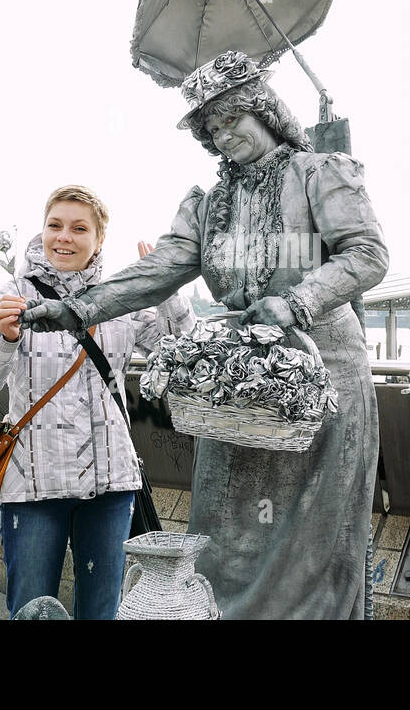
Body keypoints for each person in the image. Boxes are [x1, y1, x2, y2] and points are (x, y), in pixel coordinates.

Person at [23, 51, 389, 619]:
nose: (224, 136)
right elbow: (154, 273)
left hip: (323, 378)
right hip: (237, 387)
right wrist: (76, 309)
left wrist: (297, 301)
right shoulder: (209, 206)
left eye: (232, 119)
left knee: (316, 539)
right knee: (226, 533)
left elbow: (367, 255)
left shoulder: (320, 174)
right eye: (211, 128)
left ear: (264, 111)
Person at [0, 185, 194, 619]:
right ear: (43, 231)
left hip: (110, 484)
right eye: (55, 225)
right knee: (31, 609)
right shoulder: (14, 293)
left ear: (99, 239)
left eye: (79, 228)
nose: (64, 236)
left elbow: (186, 358)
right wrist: (4, 336)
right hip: (33, 484)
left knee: (102, 611)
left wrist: (167, 290)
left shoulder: (121, 298)